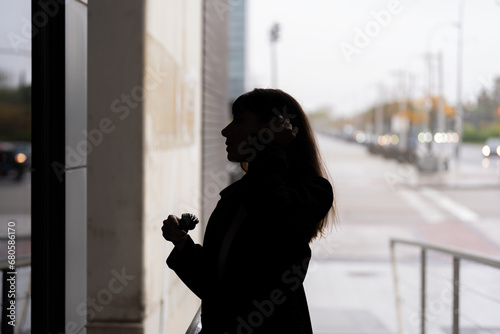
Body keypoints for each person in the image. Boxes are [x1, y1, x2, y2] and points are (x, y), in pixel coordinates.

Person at [162, 88, 335, 334]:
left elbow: (272, 212)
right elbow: (217, 287)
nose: (226, 131)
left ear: (273, 130)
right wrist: (182, 244)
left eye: (239, 120)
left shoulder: (312, 192)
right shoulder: (236, 196)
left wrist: (272, 148)